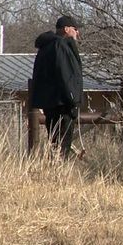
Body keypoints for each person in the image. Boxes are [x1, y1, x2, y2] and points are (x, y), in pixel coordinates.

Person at [30, 15, 84, 158]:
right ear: (66, 29)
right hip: (63, 104)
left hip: (50, 103)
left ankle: (55, 170)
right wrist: (73, 99)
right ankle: (60, 172)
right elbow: (66, 75)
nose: (77, 33)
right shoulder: (60, 45)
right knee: (62, 144)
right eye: (75, 29)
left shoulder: (46, 46)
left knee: (55, 142)